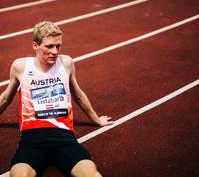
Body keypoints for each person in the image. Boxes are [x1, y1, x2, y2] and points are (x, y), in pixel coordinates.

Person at [0, 21, 114, 177]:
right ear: (35, 45)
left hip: (64, 138)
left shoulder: (66, 64)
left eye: (58, 46)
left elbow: (78, 94)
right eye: (49, 46)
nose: (55, 51)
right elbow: (6, 97)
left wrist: (96, 119)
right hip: (32, 140)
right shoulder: (21, 67)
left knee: (92, 175)